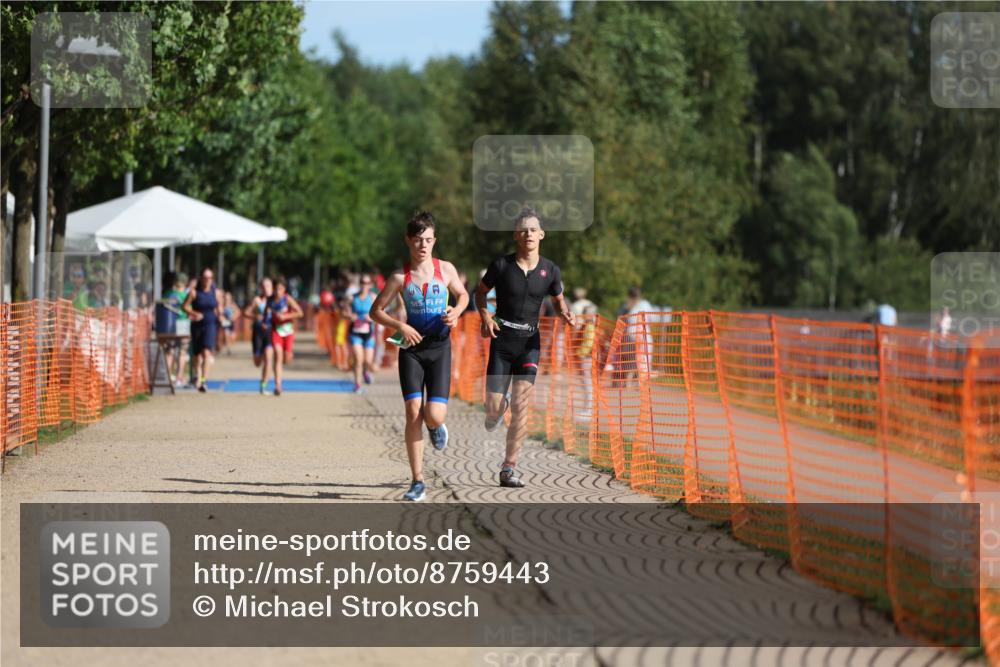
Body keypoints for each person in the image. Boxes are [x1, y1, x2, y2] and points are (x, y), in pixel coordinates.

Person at [369, 211, 469, 501]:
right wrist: (400, 325)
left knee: (433, 415)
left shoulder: (446, 270)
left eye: (427, 240)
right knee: (412, 412)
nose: (423, 245)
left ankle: (435, 426)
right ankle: (418, 481)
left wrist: (457, 312)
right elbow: (375, 311)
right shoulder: (400, 277)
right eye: (417, 240)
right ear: (408, 241)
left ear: (434, 240)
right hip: (411, 351)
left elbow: (462, 296)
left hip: (439, 349)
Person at [476, 206, 575, 488]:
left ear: (542, 234)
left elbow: (558, 300)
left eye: (533, 229)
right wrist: (485, 315)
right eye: (523, 229)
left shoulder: (550, 270)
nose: (528, 233)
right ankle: (498, 407)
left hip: (529, 344)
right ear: (515, 236)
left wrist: (566, 313)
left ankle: (508, 467)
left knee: (522, 406)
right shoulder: (501, 266)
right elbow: (480, 293)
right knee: (494, 410)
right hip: (502, 343)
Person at [183, 268, 222, 393]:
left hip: (210, 324)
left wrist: (221, 316)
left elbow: (218, 308)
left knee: (206, 352)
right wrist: (194, 313)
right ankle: (197, 376)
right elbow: (184, 306)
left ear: (212, 279)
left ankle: (204, 381)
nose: (207, 280)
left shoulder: (215, 292)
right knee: (196, 355)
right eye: (205, 277)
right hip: (197, 325)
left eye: (210, 278)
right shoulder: (194, 293)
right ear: (201, 278)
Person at [269, 277, 304, 396]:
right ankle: (278, 385)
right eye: (276, 289)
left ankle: (287, 355)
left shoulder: (287, 299)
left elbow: (300, 313)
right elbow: (265, 313)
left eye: (280, 289)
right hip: (276, 331)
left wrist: (286, 316)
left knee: (286, 358)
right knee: (277, 355)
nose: (278, 291)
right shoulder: (270, 300)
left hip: (288, 331)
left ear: (284, 290)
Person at [243, 278, 275, 394]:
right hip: (258, 333)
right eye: (264, 286)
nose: (266, 288)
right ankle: (257, 357)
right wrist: (255, 317)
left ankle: (264, 385)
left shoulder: (275, 300)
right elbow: (246, 312)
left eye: (269, 286)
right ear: (261, 288)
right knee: (257, 362)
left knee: (268, 358)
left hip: (270, 332)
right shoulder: (257, 300)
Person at [349, 274, 378, 393]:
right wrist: (350, 316)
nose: (364, 285)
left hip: (369, 333)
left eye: (366, 283)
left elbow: (380, 314)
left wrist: (371, 318)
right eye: (362, 282)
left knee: (368, 361)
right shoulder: (352, 298)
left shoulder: (373, 297)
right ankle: (357, 384)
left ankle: (366, 372)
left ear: (370, 285)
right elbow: (343, 312)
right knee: (358, 358)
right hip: (355, 332)